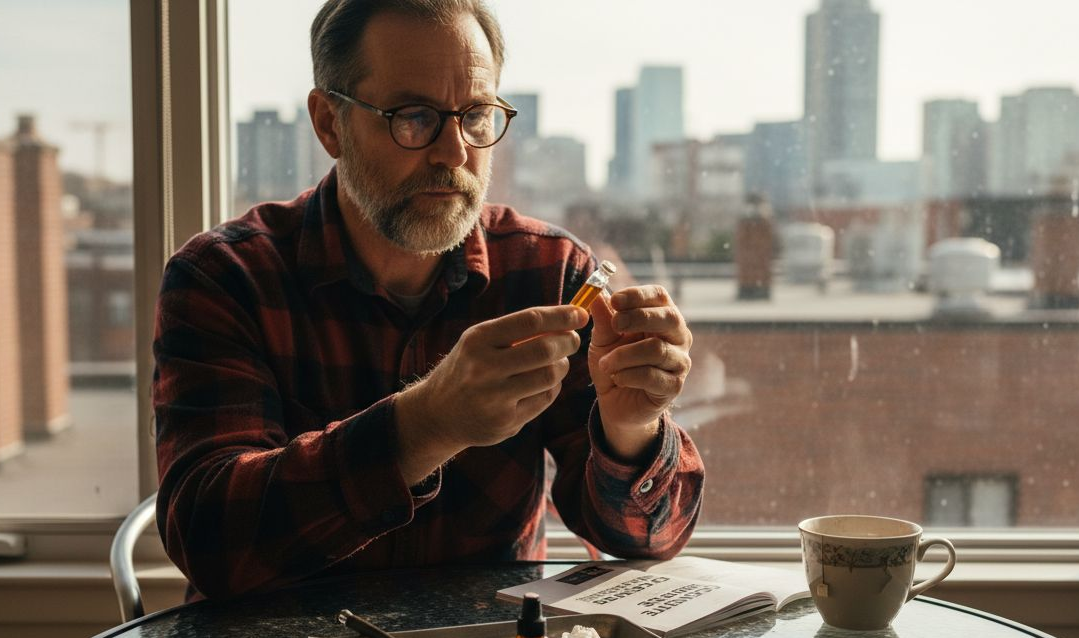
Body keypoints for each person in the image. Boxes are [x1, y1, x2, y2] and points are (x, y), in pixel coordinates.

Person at [152, 0, 704, 600]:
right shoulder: (225, 278)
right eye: (413, 117)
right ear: (329, 123)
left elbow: (644, 540)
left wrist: (631, 426)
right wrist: (426, 425)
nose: (454, 152)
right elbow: (208, 540)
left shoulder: (548, 271)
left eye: (475, 115)